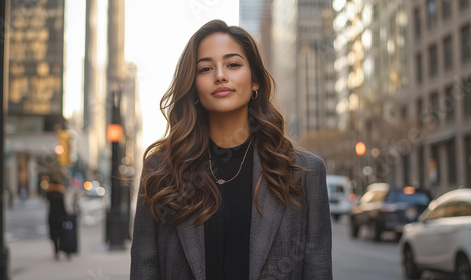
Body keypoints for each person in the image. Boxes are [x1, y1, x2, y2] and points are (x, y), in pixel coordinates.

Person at [131, 19, 332, 280]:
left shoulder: (304, 173)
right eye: (205, 68)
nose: (220, 75)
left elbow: (318, 270)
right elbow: (144, 269)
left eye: (233, 64)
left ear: (256, 80)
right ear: (193, 85)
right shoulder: (161, 170)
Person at [46, 172, 68, 260]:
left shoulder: (49, 192)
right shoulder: (60, 192)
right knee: (62, 234)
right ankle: (64, 249)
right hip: (60, 216)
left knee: (54, 235)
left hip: (52, 216)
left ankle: (56, 252)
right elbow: (63, 206)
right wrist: (66, 215)